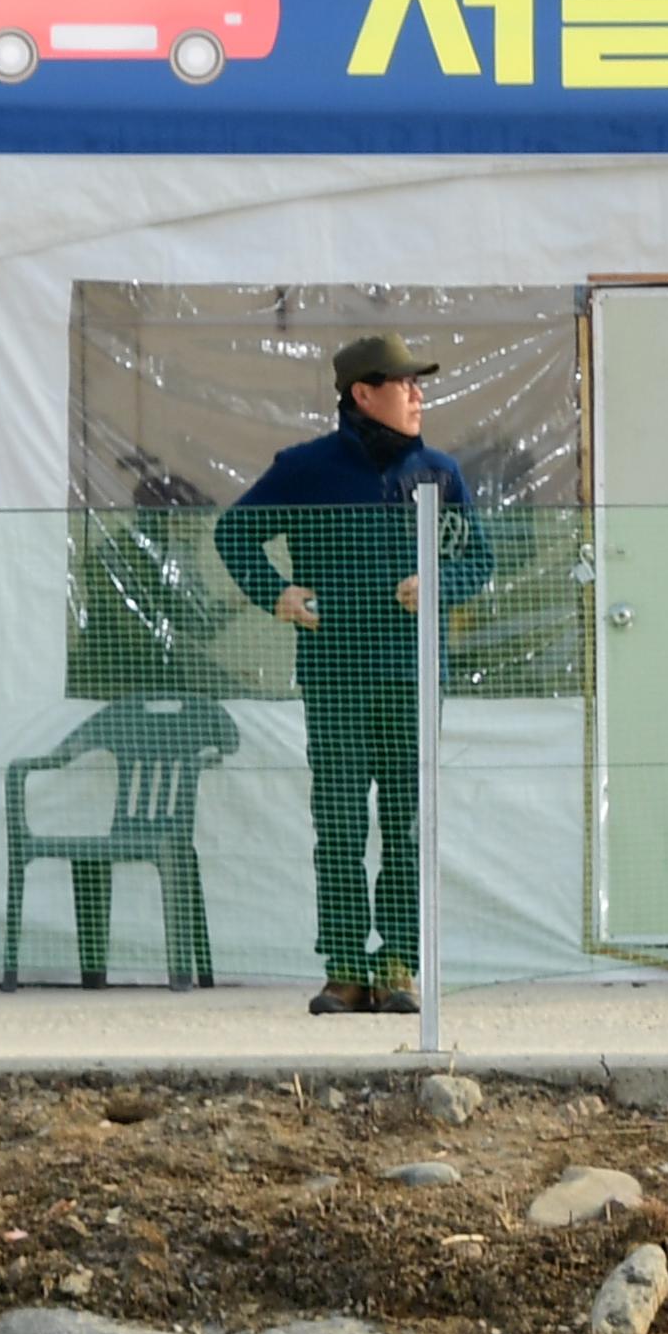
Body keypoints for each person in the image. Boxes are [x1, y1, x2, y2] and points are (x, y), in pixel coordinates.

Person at [213, 335, 490, 1016]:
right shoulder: (304, 469)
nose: (418, 395)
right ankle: (343, 967)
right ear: (362, 394)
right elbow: (234, 533)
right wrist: (275, 593)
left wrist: (438, 583)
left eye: (419, 385)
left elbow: (481, 559)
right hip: (334, 672)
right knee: (338, 820)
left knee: (406, 820)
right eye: (404, 384)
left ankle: (400, 964)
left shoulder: (440, 472)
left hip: (413, 675)